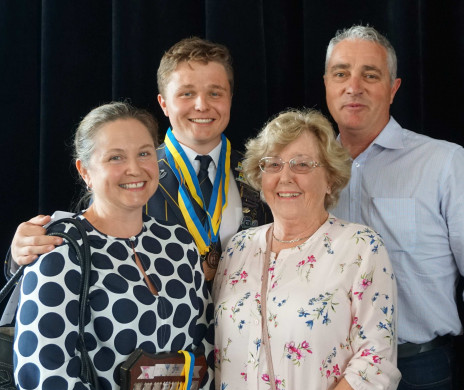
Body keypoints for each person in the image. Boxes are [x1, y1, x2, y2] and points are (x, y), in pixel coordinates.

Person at [13, 101, 215, 390]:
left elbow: (200, 350)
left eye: (144, 153)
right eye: (115, 157)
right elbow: (44, 372)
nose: (135, 169)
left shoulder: (178, 243)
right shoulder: (61, 247)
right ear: (85, 171)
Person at [324, 25, 464, 390]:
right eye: (341, 73)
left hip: (415, 375)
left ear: (393, 88)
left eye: (370, 74)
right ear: (327, 84)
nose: (353, 86)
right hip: (323, 378)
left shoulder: (443, 163)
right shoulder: (305, 169)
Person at [212, 108, 401, 390]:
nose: (285, 177)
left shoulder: (361, 247)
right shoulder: (238, 248)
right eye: (273, 164)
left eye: (302, 164)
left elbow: (376, 366)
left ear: (331, 178)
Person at [8, 37, 271, 281]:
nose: (201, 105)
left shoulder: (261, 172)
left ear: (230, 99)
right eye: (186, 94)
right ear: (164, 103)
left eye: (215, 93)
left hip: (241, 326)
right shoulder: (130, 173)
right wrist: (20, 255)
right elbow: (83, 250)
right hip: (157, 325)